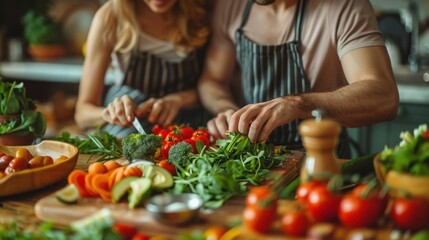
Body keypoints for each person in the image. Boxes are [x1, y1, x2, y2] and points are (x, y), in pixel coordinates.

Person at [198, 0, 399, 157]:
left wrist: (299, 104)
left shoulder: (345, 6)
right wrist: (227, 110)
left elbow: (384, 96)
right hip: (252, 163)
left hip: (320, 160)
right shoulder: (231, 5)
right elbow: (212, 81)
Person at [74, 0, 212, 138]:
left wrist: (179, 100)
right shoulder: (110, 16)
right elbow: (82, 115)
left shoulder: (202, 11)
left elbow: (216, 87)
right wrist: (108, 114)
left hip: (187, 120)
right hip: (130, 125)